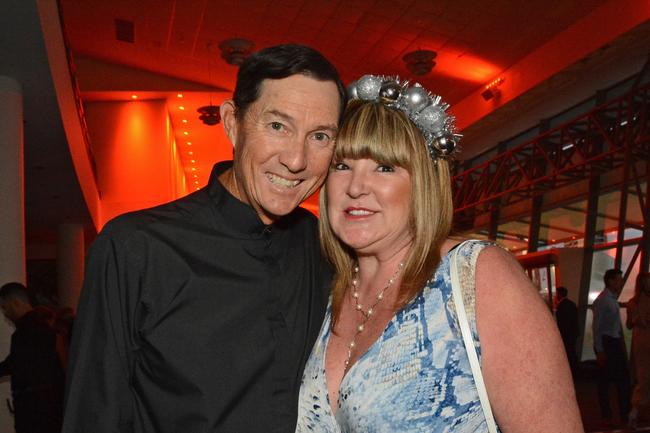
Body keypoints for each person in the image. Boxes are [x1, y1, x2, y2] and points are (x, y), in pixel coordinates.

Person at [62, 44, 346, 433]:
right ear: (232, 122)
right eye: (277, 126)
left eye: (319, 136)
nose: (296, 160)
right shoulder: (136, 248)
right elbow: (94, 414)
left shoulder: (326, 249)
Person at [296, 75, 583, 432]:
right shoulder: (325, 291)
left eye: (384, 167)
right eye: (342, 165)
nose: (356, 186)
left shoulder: (477, 276)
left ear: (423, 183)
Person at [0, 282, 65, 433]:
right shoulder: (48, 328)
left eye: (5, 308)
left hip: (33, 413)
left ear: (14, 302)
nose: (5, 314)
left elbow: (15, 364)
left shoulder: (24, 333)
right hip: (51, 410)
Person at [592, 268, 631, 426]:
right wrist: (600, 349)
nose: (621, 282)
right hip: (608, 343)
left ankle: (614, 414)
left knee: (609, 381)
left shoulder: (609, 299)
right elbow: (597, 327)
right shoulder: (604, 300)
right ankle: (617, 414)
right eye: (619, 279)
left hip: (610, 342)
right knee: (616, 381)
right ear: (610, 281)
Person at [626, 272, 650, 428]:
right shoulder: (640, 302)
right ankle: (635, 413)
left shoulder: (632, 303)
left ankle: (634, 413)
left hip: (639, 342)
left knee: (643, 377)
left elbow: (629, 324)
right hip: (645, 342)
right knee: (644, 378)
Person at [555, 286, 579, 377]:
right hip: (573, 332)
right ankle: (576, 371)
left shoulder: (561, 306)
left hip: (566, 334)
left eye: (557, 294)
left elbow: (561, 322)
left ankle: (572, 372)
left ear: (560, 294)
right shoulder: (571, 304)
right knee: (572, 351)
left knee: (569, 353)